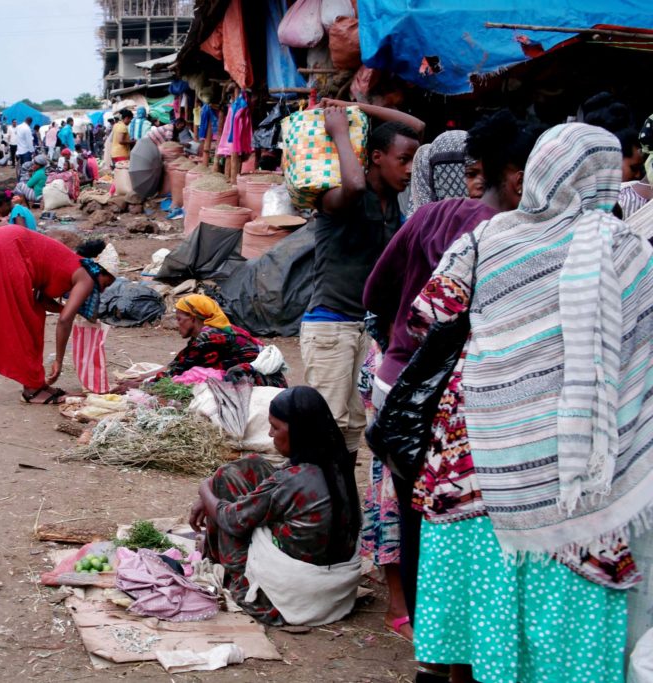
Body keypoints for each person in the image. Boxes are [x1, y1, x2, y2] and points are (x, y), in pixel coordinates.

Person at [408, 122, 653, 683]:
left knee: (486, 586)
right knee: (565, 592)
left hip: (478, 452)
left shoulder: (487, 237)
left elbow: (429, 314)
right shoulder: (626, 250)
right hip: (574, 464)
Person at [362, 110, 543, 659]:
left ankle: (430, 640)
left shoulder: (430, 215)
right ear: (514, 174)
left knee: (415, 516)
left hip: (395, 384)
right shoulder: (512, 238)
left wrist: (401, 337)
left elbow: (375, 293)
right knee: (454, 520)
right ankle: (454, 646)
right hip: (456, 401)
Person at [298, 107, 421, 456]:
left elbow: (420, 126)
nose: (410, 168)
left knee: (354, 427)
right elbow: (354, 182)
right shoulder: (337, 199)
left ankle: (344, 506)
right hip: (331, 326)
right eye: (403, 159)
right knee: (328, 424)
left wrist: (358, 108)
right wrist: (340, 130)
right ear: (377, 157)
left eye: (414, 159)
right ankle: (320, 504)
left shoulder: (393, 207)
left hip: (367, 328)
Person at [188, 387, 361, 625]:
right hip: (332, 587)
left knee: (226, 512)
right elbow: (272, 482)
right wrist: (212, 487)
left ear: (300, 432)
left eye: (276, 427)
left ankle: (232, 576)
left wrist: (204, 490)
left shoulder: (291, 481)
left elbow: (230, 519)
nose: (270, 434)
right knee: (250, 464)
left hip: (285, 597)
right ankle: (213, 530)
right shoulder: (337, 464)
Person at [0, 227, 118, 404]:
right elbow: (64, 321)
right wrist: (59, 362)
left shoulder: (75, 265)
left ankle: (36, 383)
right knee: (23, 323)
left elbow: (41, 300)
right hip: (5, 248)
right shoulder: (87, 276)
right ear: (100, 271)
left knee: (33, 316)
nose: (103, 289)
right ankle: (32, 390)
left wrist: (67, 309)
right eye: (107, 283)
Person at [158, 295, 287, 387]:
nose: (176, 325)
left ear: (192, 318)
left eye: (179, 319)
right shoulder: (216, 330)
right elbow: (178, 362)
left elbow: (178, 369)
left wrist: (147, 383)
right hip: (258, 379)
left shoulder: (209, 338)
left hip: (263, 383)